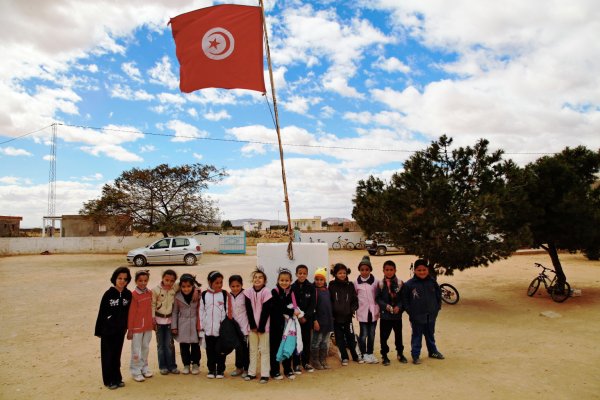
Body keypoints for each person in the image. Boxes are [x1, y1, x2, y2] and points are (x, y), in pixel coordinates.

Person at [95, 266, 132, 390]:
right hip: (107, 331)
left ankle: (117, 378)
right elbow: (102, 312)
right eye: (119, 278)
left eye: (125, 279)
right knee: (108, 355)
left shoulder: (128, 294)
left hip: (120, 331)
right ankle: (109, 380)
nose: (122, 281)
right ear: (114, 279)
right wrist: (99, 330)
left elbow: (129, 313)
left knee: (117, 355)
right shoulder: (108, 294)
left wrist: (128, 327)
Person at [402, 259, 444, 365]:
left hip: (431, 315)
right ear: (414, 270)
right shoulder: (409, 285)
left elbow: (438, 295)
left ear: (428, 270)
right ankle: (415, 355)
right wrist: (411, 312)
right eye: (419, 270)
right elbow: (405, 300)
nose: (422, 272)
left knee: (430, 334)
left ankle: (433, 351)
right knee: (417, 335)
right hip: (417, 316)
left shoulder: (432, 282)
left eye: (424, 270)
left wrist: (437, 308)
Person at [270, 268, 301, 380]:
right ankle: (274, 371)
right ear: (278, 280)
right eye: (282, 280)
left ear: (290, 281)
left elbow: (295, 305)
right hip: (276, 326)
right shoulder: (274, 292)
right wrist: (292, 312)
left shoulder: (292, 292)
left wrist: (296, 311)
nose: (284, 282)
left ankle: (288, 370)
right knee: (275, 348)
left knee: (288, 346)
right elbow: (279, 308)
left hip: (288, 326)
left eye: (286, 280)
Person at [376, 260, 407, 365]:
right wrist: (386, 306)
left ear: (395, 270)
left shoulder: (400, 283)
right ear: (383, 271)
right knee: (384, 337)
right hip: (385, 316)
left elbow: (404, 298)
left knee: (399, 335)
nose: (389, 272)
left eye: (391, 270)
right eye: (387, 270)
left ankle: (400, 353)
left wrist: (399, 306)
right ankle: (384, 355)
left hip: (397, 316)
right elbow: (378, 299)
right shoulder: (380, 284)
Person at [329, 263, 360, 366]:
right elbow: (330, 300)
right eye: (339, 273)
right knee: (339, 338)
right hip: (336, 318)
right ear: (335, 274)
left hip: (347, 317)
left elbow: (355, 300)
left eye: (344, 273)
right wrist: (332, 313)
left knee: (351, 337)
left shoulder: (350, 285)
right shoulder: (331, 285)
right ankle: (344, 357)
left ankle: (355, 356)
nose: (342, 275)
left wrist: (352, 309)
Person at [244, 269, 272, 384]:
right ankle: (251, 373)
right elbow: (248, 310)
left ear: (264, 280)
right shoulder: (248, 292)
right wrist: (253, 325)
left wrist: (260, 327)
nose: (257, 279)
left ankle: (265, 374)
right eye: (255, 277)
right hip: (252, 327)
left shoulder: (266, 292)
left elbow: (266, 311)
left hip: (264, 327)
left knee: (264, 350)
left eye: (260, 277)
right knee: (253, 350)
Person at [200, 270, 228, 379]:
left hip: (220, 331)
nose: (219, 285)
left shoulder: (224, 295)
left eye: (221, 282)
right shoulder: (204, 295)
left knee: (221, 352)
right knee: (210, 351)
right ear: (209, 282)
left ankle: (220, 370)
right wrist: (202, 327)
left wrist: (224, 327)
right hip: (208, 331)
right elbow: (201, 311)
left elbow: (228, 312)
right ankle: (211, 369)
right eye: (216, 283)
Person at [172, 274, 202, 375]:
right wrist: (174, 326)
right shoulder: (177, 296)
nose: (186, 289)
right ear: (180, 286)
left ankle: (195, 364)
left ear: (193, 286)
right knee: (183, 346)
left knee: (195, 346)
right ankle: (186, 364)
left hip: (194, 323)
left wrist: (197, 290)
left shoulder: (198, 294)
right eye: (183, 286)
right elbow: (175, 312)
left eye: (189, 286)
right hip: (182, 324)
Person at [127, 270, 154, 382]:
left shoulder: (149, 293)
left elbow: (151, 309)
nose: (143, 283)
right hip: (137, 328)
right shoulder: (133, 295)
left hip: (147, 326)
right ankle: (135, 371)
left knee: (145, 348)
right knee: (136, 350)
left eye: (145, 280)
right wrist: (130, 329)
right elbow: (131, 313)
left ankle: (144, 368)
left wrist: (153, 323)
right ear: (136, 281)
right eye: (140, 281)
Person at [152, 269, 180, 375]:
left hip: (170, 321)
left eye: (172, 281)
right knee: (160, 345)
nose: (169, 282)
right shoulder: (155, 290)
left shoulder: (175, 288)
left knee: (169, 344)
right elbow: (153, 304)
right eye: (166, 280)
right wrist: (152, 318)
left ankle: (172, 366)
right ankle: (163, 366)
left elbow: (188, 281)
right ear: (162, 278)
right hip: (158, 322)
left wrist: (196, 291)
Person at [291, 264, 315, 373]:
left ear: (307, 274)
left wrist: (306, 317)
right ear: (296, 274)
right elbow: (291, 303)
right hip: (295, 321)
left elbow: (312, 304)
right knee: (296, 342)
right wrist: (297, 316)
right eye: (300, 273)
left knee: (306, 341)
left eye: (304, 273)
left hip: (306, 321)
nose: (302, 275)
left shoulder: (311, 287)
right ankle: (296, 364)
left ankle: (306, 362)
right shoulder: (292, 287)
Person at [355, 256, 380, 364]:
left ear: (370, 270)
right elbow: (355, 296)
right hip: (362, 312)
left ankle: (370, 353)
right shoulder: (356, 283)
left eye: (367, 269)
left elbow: (378, 296)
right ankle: (363, 353)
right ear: (359, 270)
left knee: (372, 334)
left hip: (373, 312)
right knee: (363, 334)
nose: (364, 272)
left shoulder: (376, 282)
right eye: (362, 270)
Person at [311, 267, 334, 370]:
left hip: (327, 322)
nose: (319, 282)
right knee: (316, 341)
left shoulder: (327, 290)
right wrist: (315, 321)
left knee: (324, 341)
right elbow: (312, 308)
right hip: (318, 322)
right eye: (317, 279)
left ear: (324, 280)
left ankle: (323, 360)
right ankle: (315, 361)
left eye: (321, 279)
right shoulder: (314, 292)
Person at [229, 275, 250, 378]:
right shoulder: (228, 296)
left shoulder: (246, 295)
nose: (235, 288)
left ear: (242, 285)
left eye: (238, 286)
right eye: (233, 286)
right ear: (229, 286)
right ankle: (238, 367)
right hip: (234, 327)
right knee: (237, 348)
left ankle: (246, 368)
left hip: (245, 327)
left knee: (245, 349)